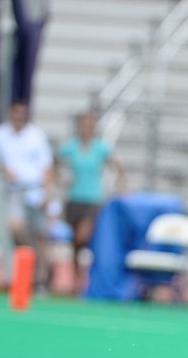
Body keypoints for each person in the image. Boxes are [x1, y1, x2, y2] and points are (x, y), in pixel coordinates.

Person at [57, 111, 126, 294]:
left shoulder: (99, 148)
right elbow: (55, 163)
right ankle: (76, 279)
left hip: (93, 200)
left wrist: (123, 186)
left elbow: (118, 166)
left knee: (83, 237)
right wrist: (58, 180)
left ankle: (88, 277)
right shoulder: (70, 146)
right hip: (74, 199)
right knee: (75, 244)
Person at [0, 100, 56, 288]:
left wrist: (47, 193)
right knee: (15, 228)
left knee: (41, 235)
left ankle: (42, 278)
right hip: (14, 190)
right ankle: (21, 272)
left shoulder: (36, 136)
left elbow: (47, 167)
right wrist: (3, 170)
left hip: (35, 189)